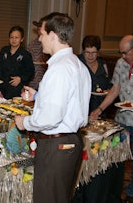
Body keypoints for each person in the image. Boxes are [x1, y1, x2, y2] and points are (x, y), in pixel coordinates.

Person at [15, 12, 91, 203]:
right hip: (70, 141)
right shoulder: (77, 64)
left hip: (56, 145)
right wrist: (39, 97)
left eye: (41, 34)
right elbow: (71, 103)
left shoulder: (59, 68)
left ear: (53, 35)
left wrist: (24, 122)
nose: (39, 39)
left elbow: (51, 118)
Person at [90, 35, 133, 203]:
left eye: (125, 53)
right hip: (122, 118)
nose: (122, 56)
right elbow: (115, 90)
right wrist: (100, 108)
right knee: (116, 156)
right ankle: (113, 191)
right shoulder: (120, 64)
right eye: (121, 52)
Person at [0, 26, 35, 99]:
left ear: (22, 39)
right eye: (11, 37)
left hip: (17, 89)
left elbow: (31, 72)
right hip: (2, 88)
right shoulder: (4, 50)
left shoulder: (25, 54)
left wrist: (20, 78)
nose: (14, 40)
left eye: (16, 37)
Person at [78, 35, 112, 117]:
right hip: (83, 110)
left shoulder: (103, 65)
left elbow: (110, 85)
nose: (90, 56)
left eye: (94, 53)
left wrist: (108, 91)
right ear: (83, 51)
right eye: (87, 52)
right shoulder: (78, 63)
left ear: (98, 52)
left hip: (101, 110)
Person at [27, 20, 49, 90]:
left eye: (41, 29)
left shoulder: (50, 45)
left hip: (45, 81)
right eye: (38, 29)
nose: (39, 31)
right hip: (33, 81)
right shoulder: (32, 44)